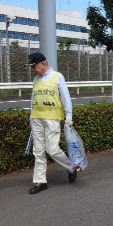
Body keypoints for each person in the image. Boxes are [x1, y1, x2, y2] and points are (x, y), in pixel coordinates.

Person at [28, 52, 79, 194]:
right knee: (38, 152)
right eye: (32, 67)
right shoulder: (36, 80)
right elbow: (33, 98)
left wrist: (69, 116)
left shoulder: (57, 77)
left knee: (52, 149)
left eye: (35, 66)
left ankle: (71, 167)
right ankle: (40, 182)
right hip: (36, 118)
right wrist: (31, 115)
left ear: (43, 63)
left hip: (52, 119)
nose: (33, 69)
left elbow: (65, 97)